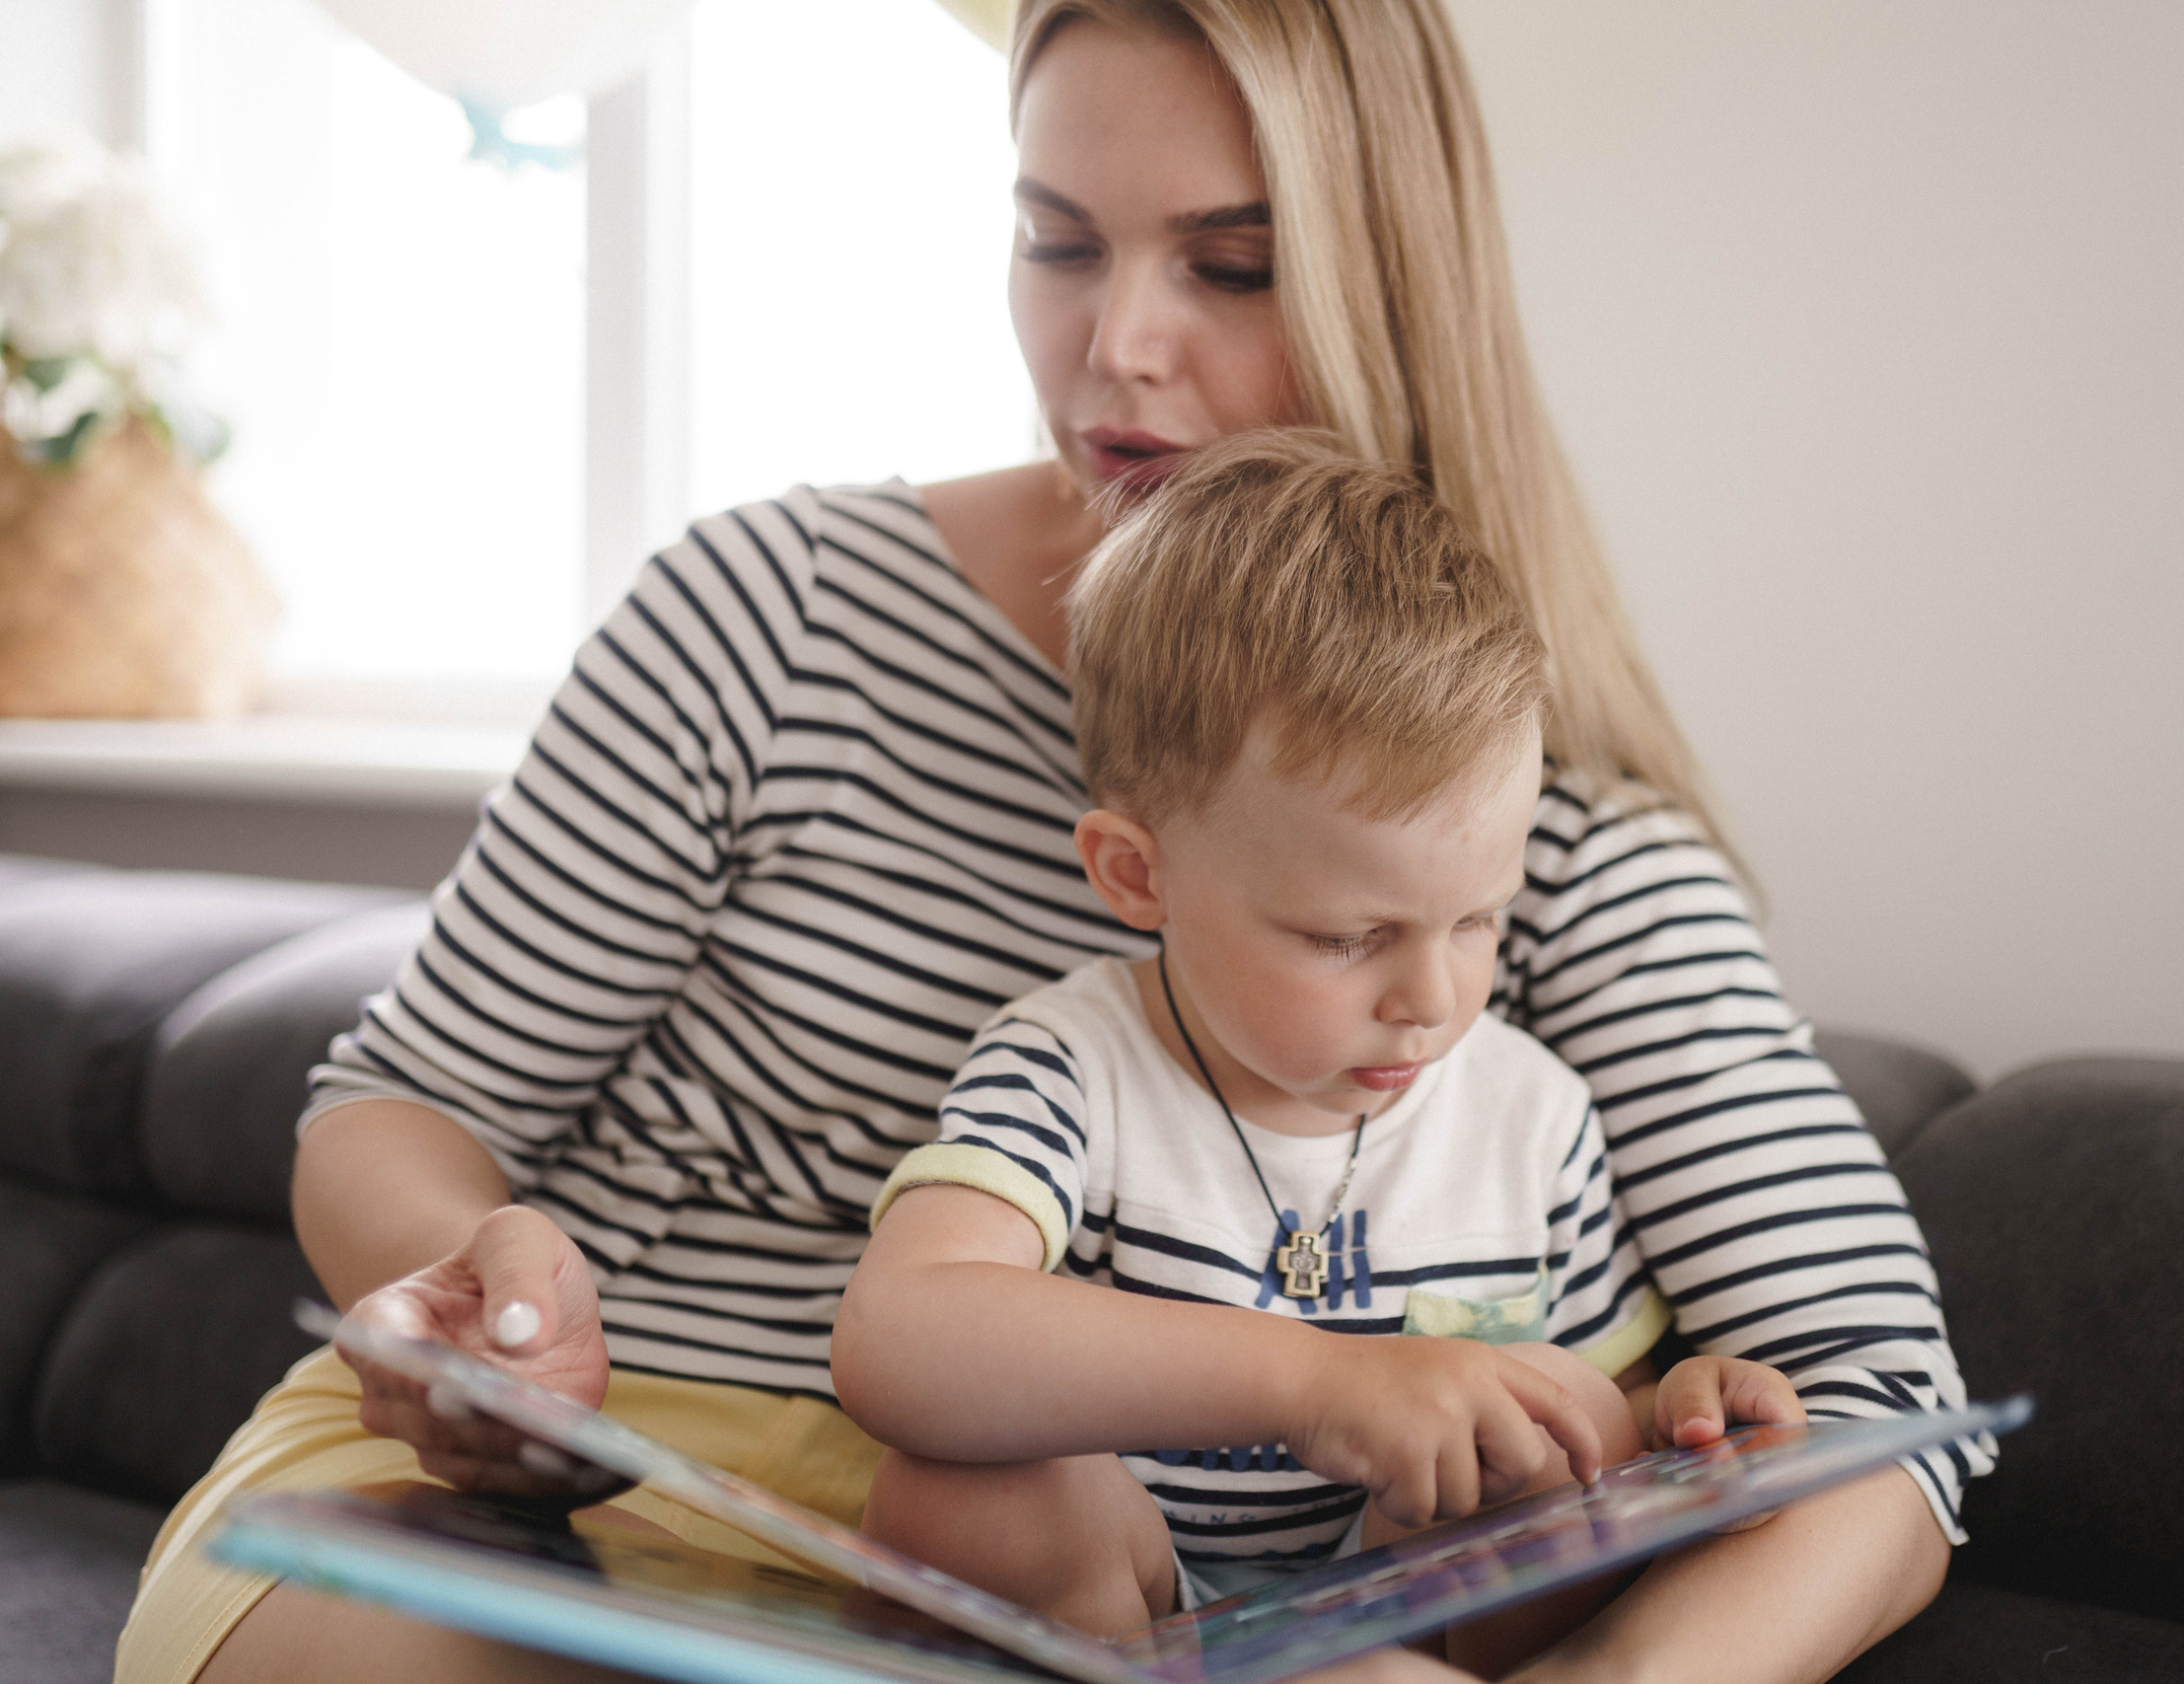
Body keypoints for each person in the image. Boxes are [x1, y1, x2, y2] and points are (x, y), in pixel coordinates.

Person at [120, 3, 1988, 1681]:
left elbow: (1885, 1415)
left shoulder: (1529, 843)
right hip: (526, 1527)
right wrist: (475, 1296)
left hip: (1032, 1593)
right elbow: (401, 1104)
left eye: (1232, 265)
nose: (1115, 348)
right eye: (1055, 243)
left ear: (1386, 281)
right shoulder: (770, 614)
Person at [837, 432, 1808, 1667]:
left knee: (1563, 1427)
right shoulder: (1070, 1064)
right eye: (1349, 938)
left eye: (1475, 920)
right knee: (952, 1491)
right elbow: (898, 1337)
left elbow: (1596, 1415)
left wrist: (1680, 1416)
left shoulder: (1532, 1112)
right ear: (1140, 876)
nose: (1428, 995)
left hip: (1389, 1594)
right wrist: (1311, 1384)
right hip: (1124, 1587)